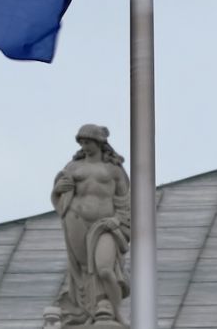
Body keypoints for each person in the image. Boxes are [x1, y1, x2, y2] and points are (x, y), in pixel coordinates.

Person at [52, 124, 132, 325]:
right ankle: (93, 309)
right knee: (85, 268)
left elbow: (124, 201)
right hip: (76, 219)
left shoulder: (113, 169)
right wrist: (57, 191)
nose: (84, 146)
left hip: (105, 225)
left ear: (98, 142)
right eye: (82, 142)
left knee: (104, 268)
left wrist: (118, 221)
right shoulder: (72, 167)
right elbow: (59, 195)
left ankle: (114, 310)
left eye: (88, 142)